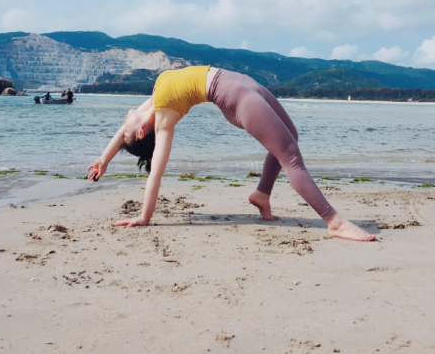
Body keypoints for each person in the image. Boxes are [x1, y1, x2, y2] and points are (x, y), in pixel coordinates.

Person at [87, 66, 375, 242]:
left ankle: (262, 194)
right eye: (126, 129)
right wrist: (144, 216)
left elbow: (121, 134)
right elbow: (156, 175)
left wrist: (104, 159)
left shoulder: (156, 95)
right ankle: (334, 222)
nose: (123, 121)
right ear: (140, 134)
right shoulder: (162, 121)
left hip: (247, 84)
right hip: (240, 100)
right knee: (291, 158)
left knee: (292, 136)